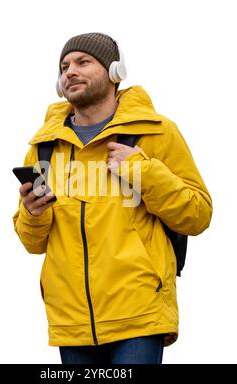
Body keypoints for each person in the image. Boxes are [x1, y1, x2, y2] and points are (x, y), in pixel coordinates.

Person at [12, 32, 213, 364]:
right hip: (71, 321)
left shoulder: (157, 132)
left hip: (139, 315)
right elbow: (34, 243)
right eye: (64, 67)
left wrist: (142, 171)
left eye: (83, 62)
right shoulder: (44, 148)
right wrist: (32, 215)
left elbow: (198, 215)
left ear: (114, 71)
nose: (70, 72)